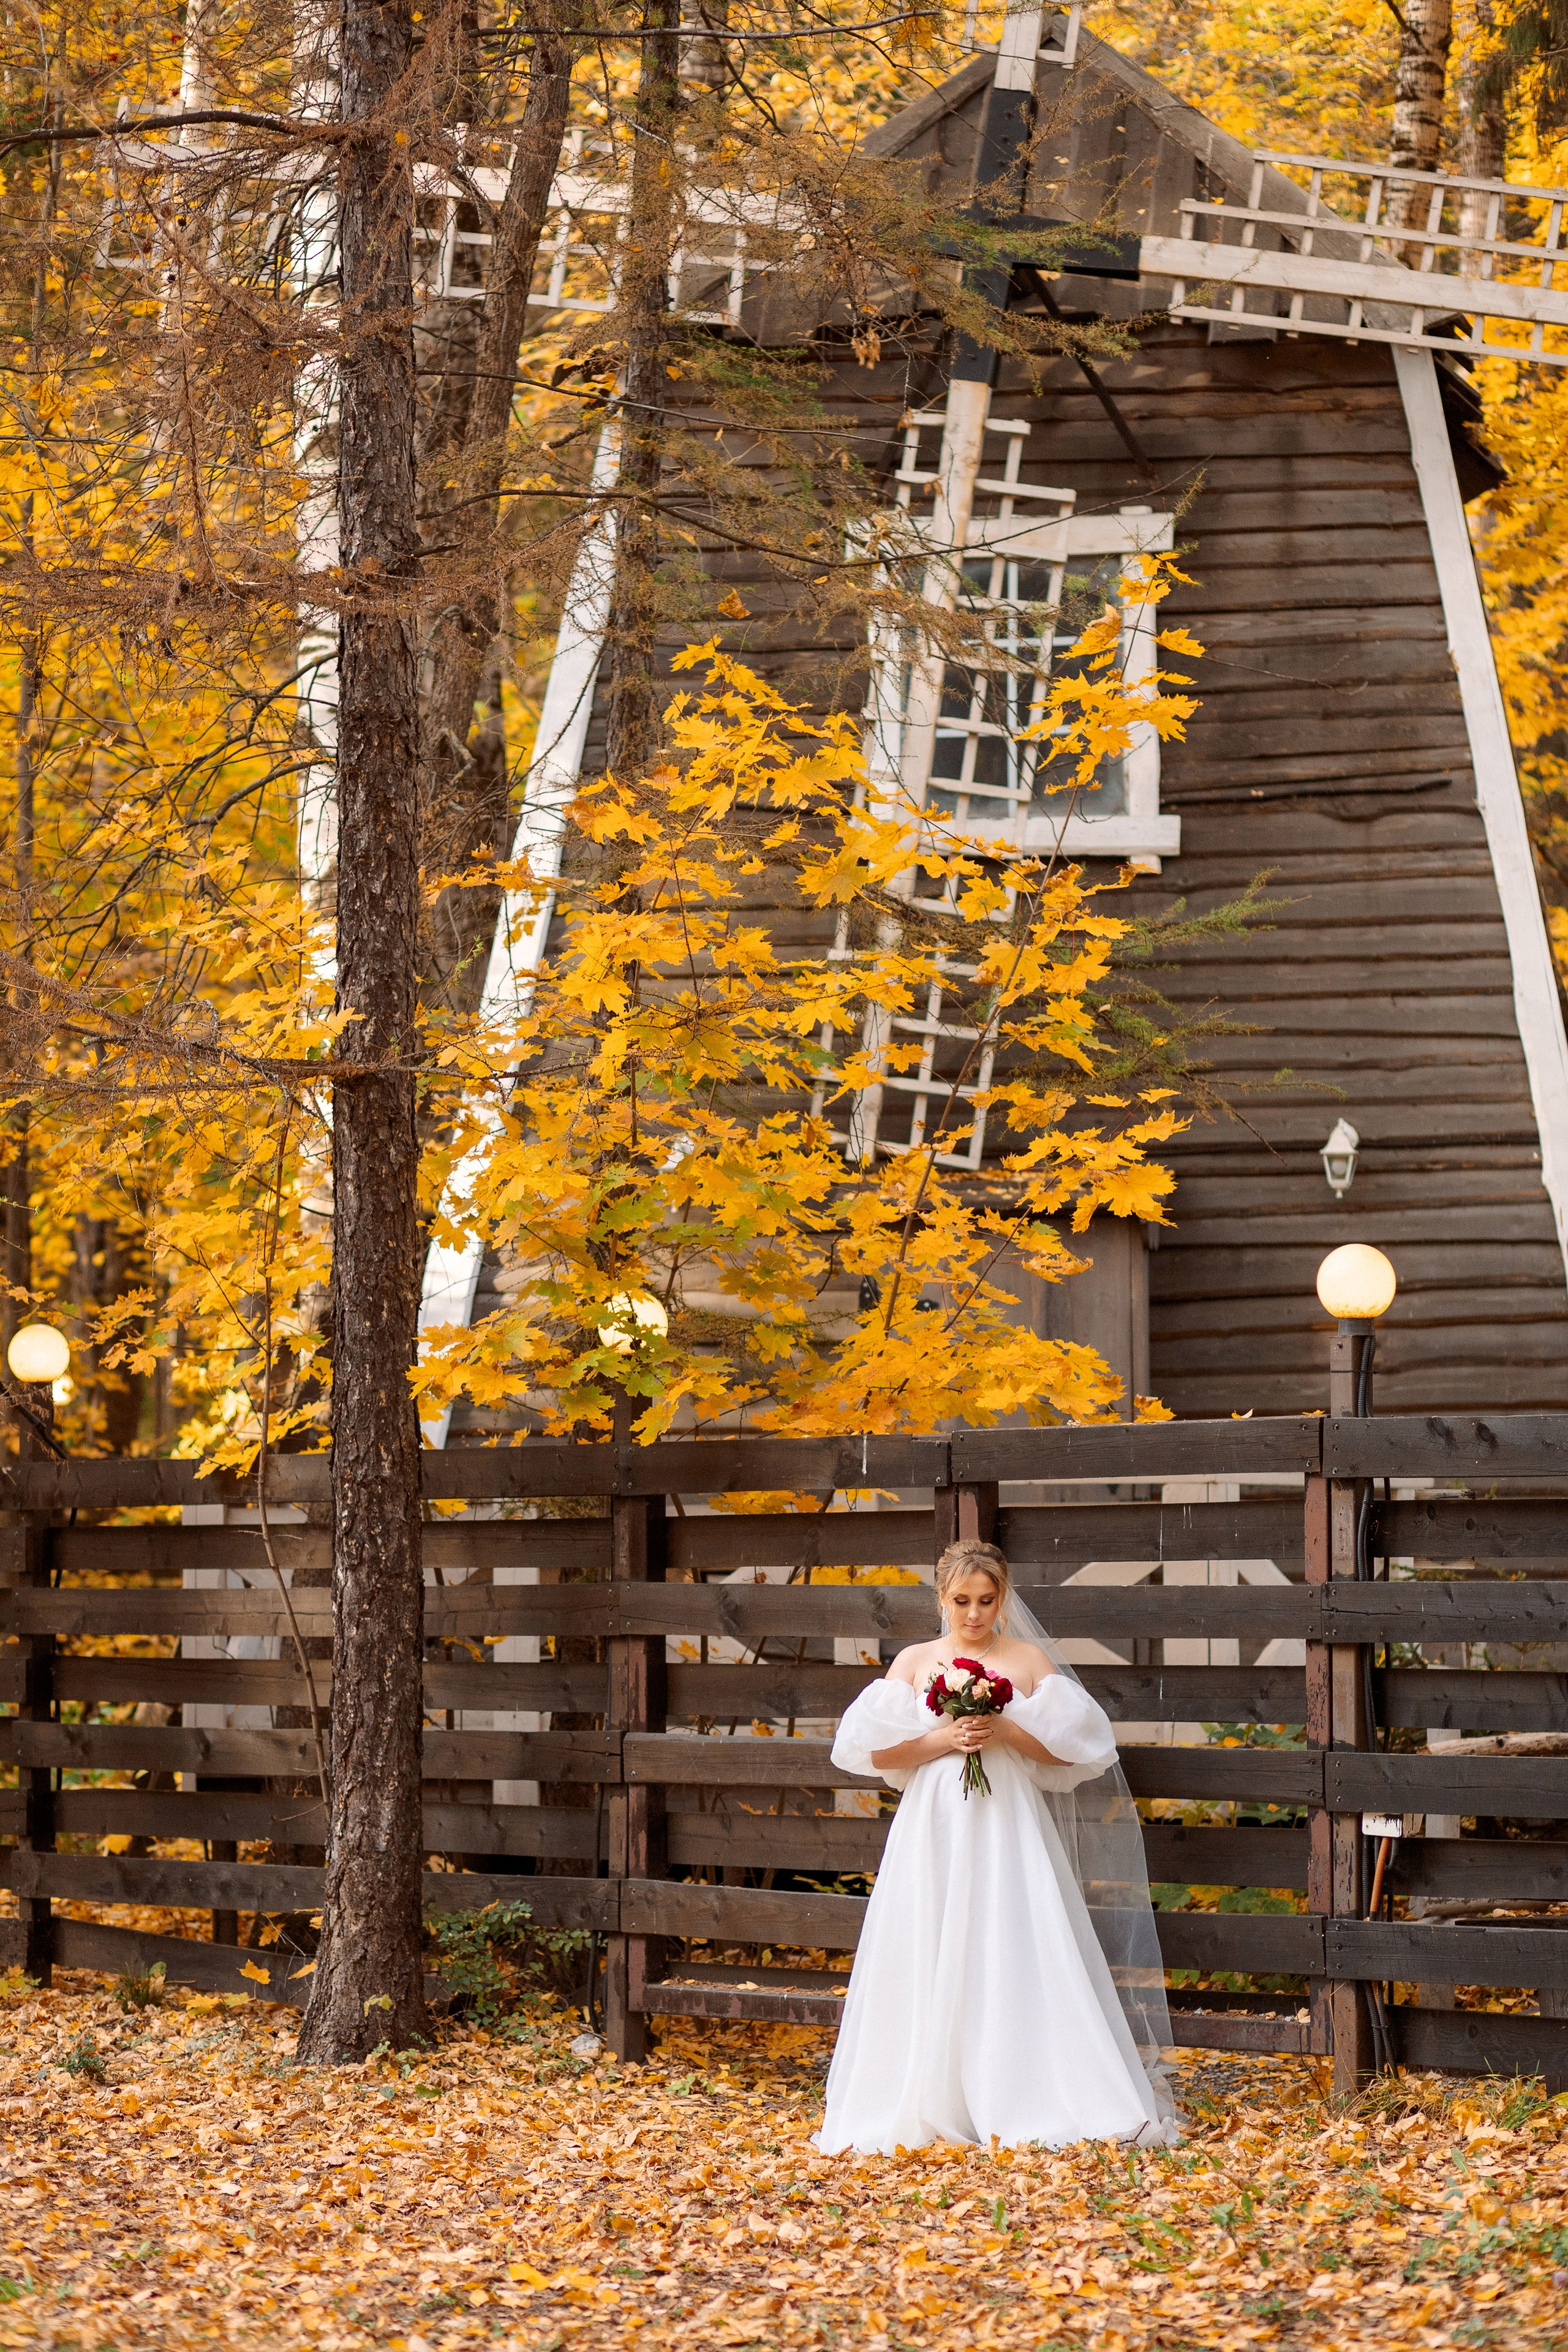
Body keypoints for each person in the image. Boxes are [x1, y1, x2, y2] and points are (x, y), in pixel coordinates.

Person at [816, 1537, 1180, 2155]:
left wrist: (1008, 1729)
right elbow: (875, 1753)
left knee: (1010, 1932)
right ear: (941, 1598)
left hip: (1006, 1816)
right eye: (962, 1600)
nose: (975, 1614)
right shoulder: (913, 1662)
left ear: (1003, 1597)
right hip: (935, 1820)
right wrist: (943, 1739)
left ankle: (1028, 2086)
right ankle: (928, 2092)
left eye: (987, 1600)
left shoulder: (1028, 1661)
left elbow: (1074, 1751)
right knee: (931, 1931)